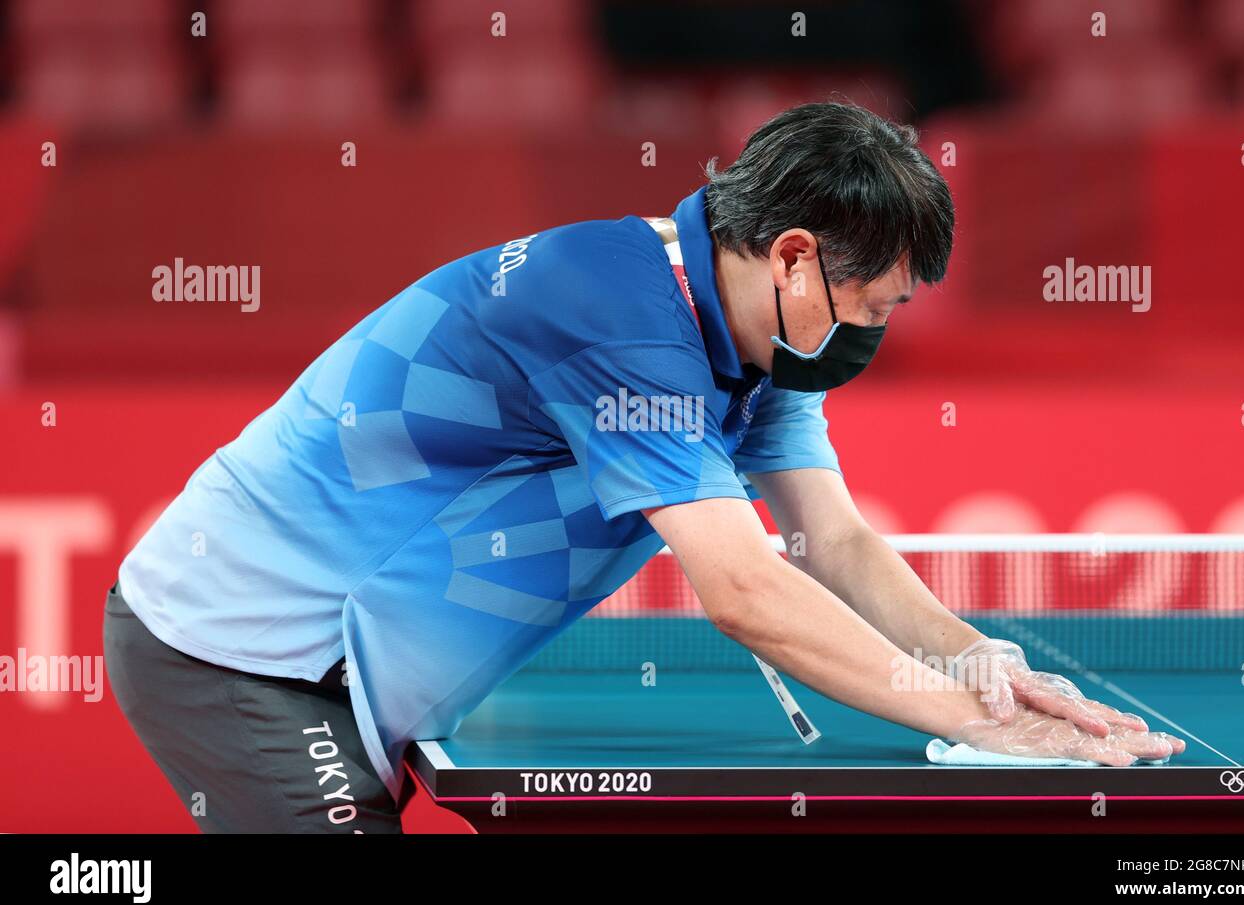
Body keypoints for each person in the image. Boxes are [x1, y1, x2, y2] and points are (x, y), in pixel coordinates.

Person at [104, 101, 1184, 834]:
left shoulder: (759, 339)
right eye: (875, 307)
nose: (875, 333)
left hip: (345, 658)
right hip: (235, 652)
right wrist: (983, 731)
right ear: (796, 258)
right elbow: (749, 589)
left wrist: (975, 662)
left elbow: (831, 539)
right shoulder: (615, 317)